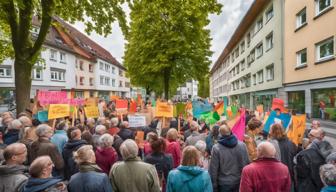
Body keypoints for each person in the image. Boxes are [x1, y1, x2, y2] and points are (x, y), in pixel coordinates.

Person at [209, 124, 250, 192]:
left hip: (225, 184)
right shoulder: (242, 145)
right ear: (231, 131)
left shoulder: (216, 148)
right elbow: (247, 163)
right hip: (239, 181)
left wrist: (214, 186)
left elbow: (213, 170)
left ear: (220, 134)